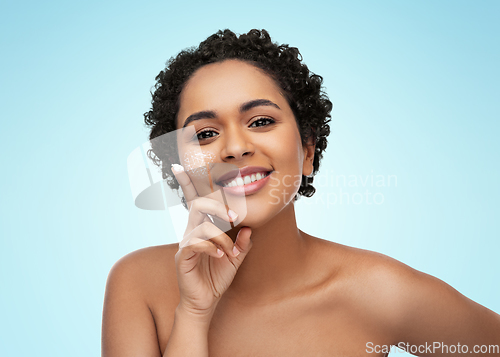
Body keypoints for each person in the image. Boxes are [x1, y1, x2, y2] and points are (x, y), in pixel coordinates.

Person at [102, 29, 500, 356]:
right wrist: (193, 313)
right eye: (205, 133)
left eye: (260, 121)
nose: (235, 147)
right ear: (177, 167)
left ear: (307, 150)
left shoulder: (379, 291)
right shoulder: (137, 286)